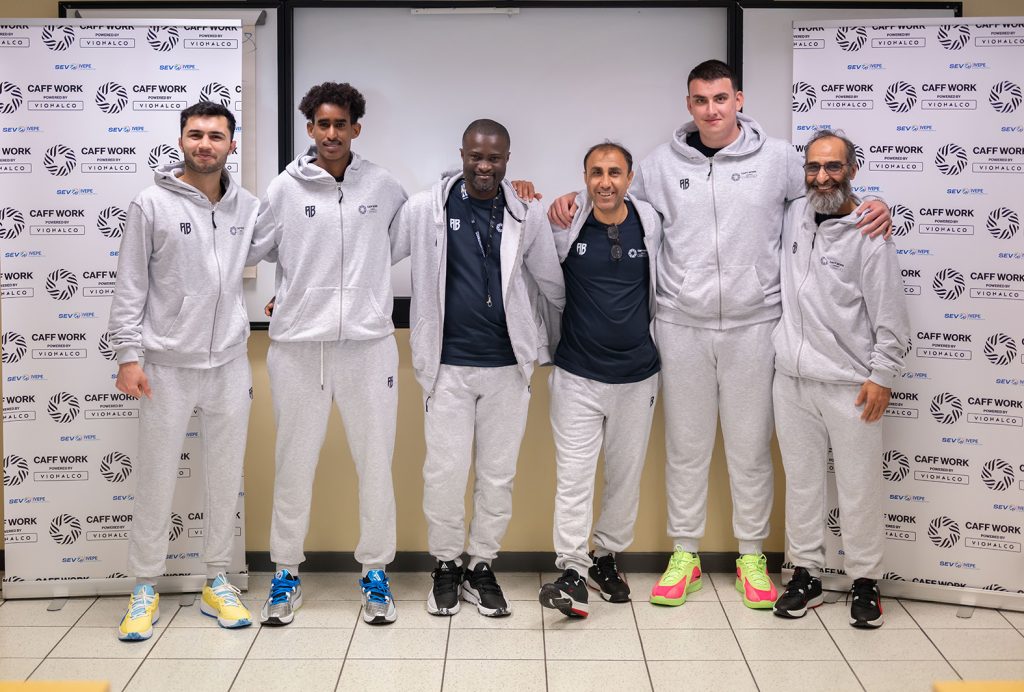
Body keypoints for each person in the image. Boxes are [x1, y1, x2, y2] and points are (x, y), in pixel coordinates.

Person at [546, 60, 891, 609]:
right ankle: (685, 554)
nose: (712, 110)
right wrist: (569, 198)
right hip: (681, 324)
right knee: (686, 448)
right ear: (689, 105)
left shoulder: (778, 159)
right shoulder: (660, 166)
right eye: (701, 100)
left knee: (749, 449)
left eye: (721, 98)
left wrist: (873, 203)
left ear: (739, 100)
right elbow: (612, 195)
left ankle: (751, 555)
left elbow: (826, 193)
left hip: (756, 326)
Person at [247, 82, 407, 626]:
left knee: (376, 464)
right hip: (299, 350)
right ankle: (285, 572)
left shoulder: (383, 186)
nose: (331, 133)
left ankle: (375, 571)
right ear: (310, 128)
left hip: (368, 347)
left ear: (356, 128)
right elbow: (252, 248)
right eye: (322, 124)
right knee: (294, 463)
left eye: (341, 124)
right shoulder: (284, 190)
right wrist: (297, 297)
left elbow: (407, 239)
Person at [392, 119, 564, 618]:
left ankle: (482, 565)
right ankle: (446, 565)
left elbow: (552, 284)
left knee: (497, 476)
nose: (484, 167)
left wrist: (567, 341)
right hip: (446, 367)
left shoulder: (525, 213)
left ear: (507, 160)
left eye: (494, 158)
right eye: (476, 156)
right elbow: (371, 255)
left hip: (507, 368)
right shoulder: (426, 209)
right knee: (444, 473)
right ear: (462, 154)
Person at [109, 101, 259, 640]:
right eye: (195, 134)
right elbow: (130, 284)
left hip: (229, 363)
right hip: (165, 365)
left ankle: (217, 580)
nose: (204, 144)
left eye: (216, 136)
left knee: (225, 477)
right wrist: (128, 356)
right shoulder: (150, 203)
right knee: (155, 476)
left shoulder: (248, 206)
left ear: (231, 144)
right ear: (181, 141)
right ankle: (144, 586)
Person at [772, 130, 908, 628]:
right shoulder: (793, 215)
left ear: (852, 170)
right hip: (791, 381)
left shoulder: (870, 232)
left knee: (859, 488)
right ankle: (805, 575)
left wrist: (882, 375)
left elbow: (891, 314)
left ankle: (865, 583)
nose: (822, 176)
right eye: (813, 167)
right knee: (802, 486)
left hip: (852, 385)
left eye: (833, 166)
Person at [537, 142, 663, 619]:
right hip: (577, 374)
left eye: (614, 172)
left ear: (629, 178)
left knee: (624, 477)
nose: (604, 182)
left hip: (637, 375)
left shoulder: (650, 224)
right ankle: (572, 568)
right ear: (584, 178)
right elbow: (537, 268)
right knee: (574, 477)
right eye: (595, 173)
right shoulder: (565, 223)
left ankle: (606, 557)